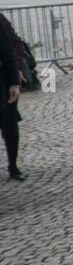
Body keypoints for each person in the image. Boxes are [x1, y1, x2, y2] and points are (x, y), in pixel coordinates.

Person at [0, 12, 24, 181]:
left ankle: (13, 166)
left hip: (3, 83)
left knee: (9, 126)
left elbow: (9, 49)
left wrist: (14, 80)